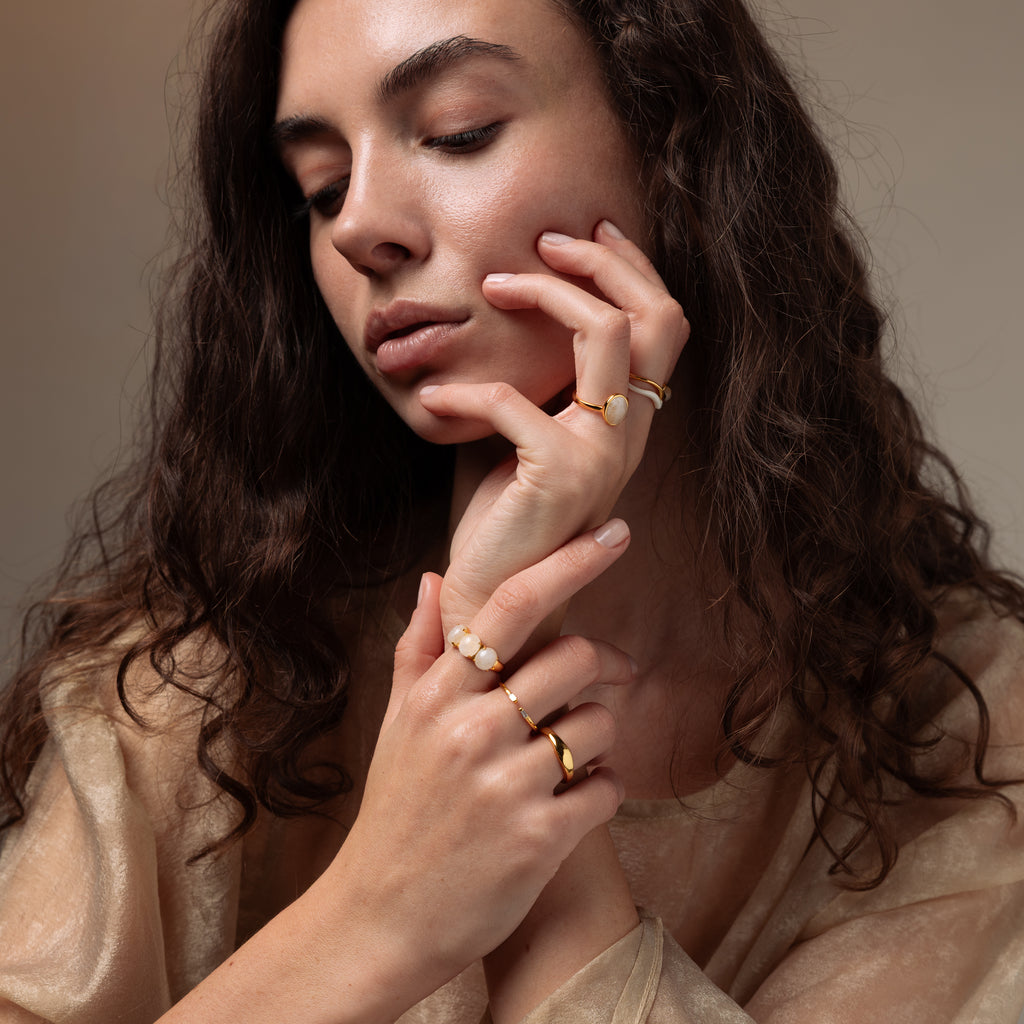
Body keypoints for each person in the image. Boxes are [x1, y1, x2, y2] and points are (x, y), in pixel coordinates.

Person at [1, 0, 1022, 1020]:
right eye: (321, 187)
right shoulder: (203, 671)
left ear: (675, 145)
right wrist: (378, 914)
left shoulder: (968, 728)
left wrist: (505, 661)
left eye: (459, 132)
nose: (357, 226)